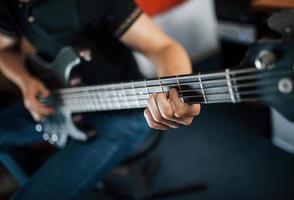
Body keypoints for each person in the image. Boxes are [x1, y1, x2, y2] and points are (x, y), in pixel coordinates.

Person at [0, 0, 201, 199]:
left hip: (122, 114)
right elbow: (3, 49)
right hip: (56, 99)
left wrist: (173, 90)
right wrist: (25, 80)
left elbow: (163, 47)